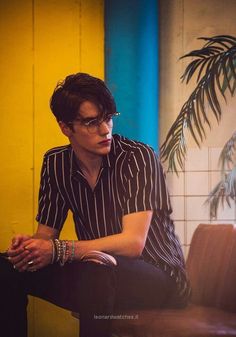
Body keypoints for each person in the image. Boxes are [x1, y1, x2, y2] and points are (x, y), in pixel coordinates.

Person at [0, 73, 190, 337]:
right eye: (92, 122)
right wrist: (30, 248)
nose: (105, 130)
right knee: (7, 266)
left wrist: (57, 250)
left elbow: (133, 244)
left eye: (108, 118)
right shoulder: (56, 164)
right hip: (97, 270)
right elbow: (46, 237)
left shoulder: (137, 157)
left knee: (96, 271)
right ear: (65, 127)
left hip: (158, 277)